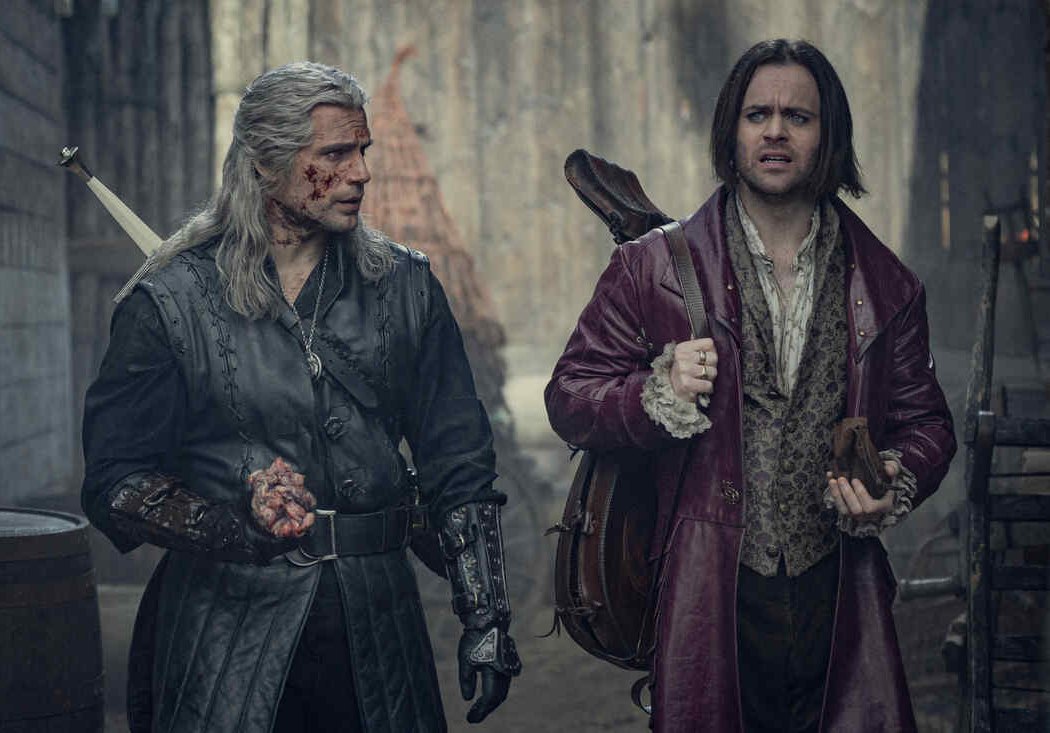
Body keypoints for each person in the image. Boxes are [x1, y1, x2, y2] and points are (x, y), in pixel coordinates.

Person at [81, 62, 520, 733]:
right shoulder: (168, 303)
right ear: (265, 164)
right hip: (224, 637)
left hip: (380, 631)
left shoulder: (406, 288)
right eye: (335, 155)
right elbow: (115, 479)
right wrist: (233, 524)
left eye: (362, 151)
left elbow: (457, 460)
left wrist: (486, 617)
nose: (361, 172)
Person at [545, 39, 955, 732]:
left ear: (828, 135)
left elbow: (929, 425)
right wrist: (655, 392)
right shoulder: (652, 269)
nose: (775, 131)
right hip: (706, 592)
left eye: (799, 117)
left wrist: (892, 475)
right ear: (731, 132)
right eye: (757, 114)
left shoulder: (886, 284)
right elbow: (569, 395)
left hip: (838, 591)